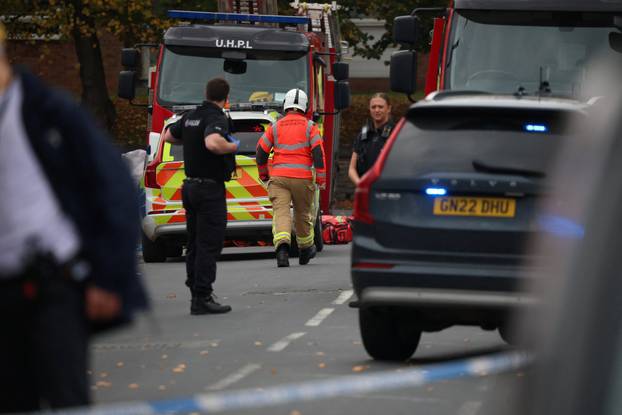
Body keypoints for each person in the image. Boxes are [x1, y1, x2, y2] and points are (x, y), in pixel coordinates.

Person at [0, 24, 148, 412]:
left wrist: (106, 276)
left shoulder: (48, 113)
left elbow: (113, 188)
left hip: (52, 282)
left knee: (66, 396)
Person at [162, 77, 237, 315]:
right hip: (209, 189)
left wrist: (190, 138)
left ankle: (196, 292)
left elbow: (168, 136)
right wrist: (232, 145)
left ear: (206, 93)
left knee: (194, 242)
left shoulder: (191, 115)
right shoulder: (216, 117)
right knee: (209, 243)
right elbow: (214, 144)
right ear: (226, 98)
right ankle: (203, 295)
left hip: (190, 188)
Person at [256, 88, 326, 267]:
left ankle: (282, 250)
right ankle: (305, 249)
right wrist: (321, 178)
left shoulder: (275, 126)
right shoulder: (311, 127)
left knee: (281, 213)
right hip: (302, 179)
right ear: (304, 106)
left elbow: (261, 152)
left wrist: (264, 173)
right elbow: (318, 153)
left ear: (285, 105)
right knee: (303, 213)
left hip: (279, 178)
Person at [348, 93, 395, 186]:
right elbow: (351, 169)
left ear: (388, 109)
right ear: (369, 109)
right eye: (373, 107)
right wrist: (360, 184)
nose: (377, 110)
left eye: (380, 107)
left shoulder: (396, 134)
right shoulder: (363, 135)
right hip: (365, 189)